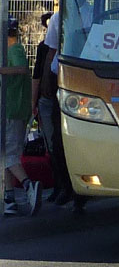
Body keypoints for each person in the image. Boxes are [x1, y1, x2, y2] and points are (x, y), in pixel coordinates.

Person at [42, 11, 87, 214]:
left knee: (74, 139)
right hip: (59, 79)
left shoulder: (88, 13)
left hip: (80, 79)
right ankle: (65, 186)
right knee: (57, 139)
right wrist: (46, 82)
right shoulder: (57, 18)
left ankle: (78, 191)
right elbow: (51, 51)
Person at [2, 18, 41, 217]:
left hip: (12, 110)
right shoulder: (12, 50)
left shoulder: (14, 50)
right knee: (8, 154)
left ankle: (28, 186)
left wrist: (2, 71)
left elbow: (22, 69)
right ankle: (9, 199)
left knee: (8, 155)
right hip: (14, 110)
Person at [31, 11, 59, 202]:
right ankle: (60, 185)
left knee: (52, 144)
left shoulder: (44, 48)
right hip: (54, 98)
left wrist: (33, 104)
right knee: (56, 144)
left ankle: (60, 184)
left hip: (48, 99)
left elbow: (37, 77)